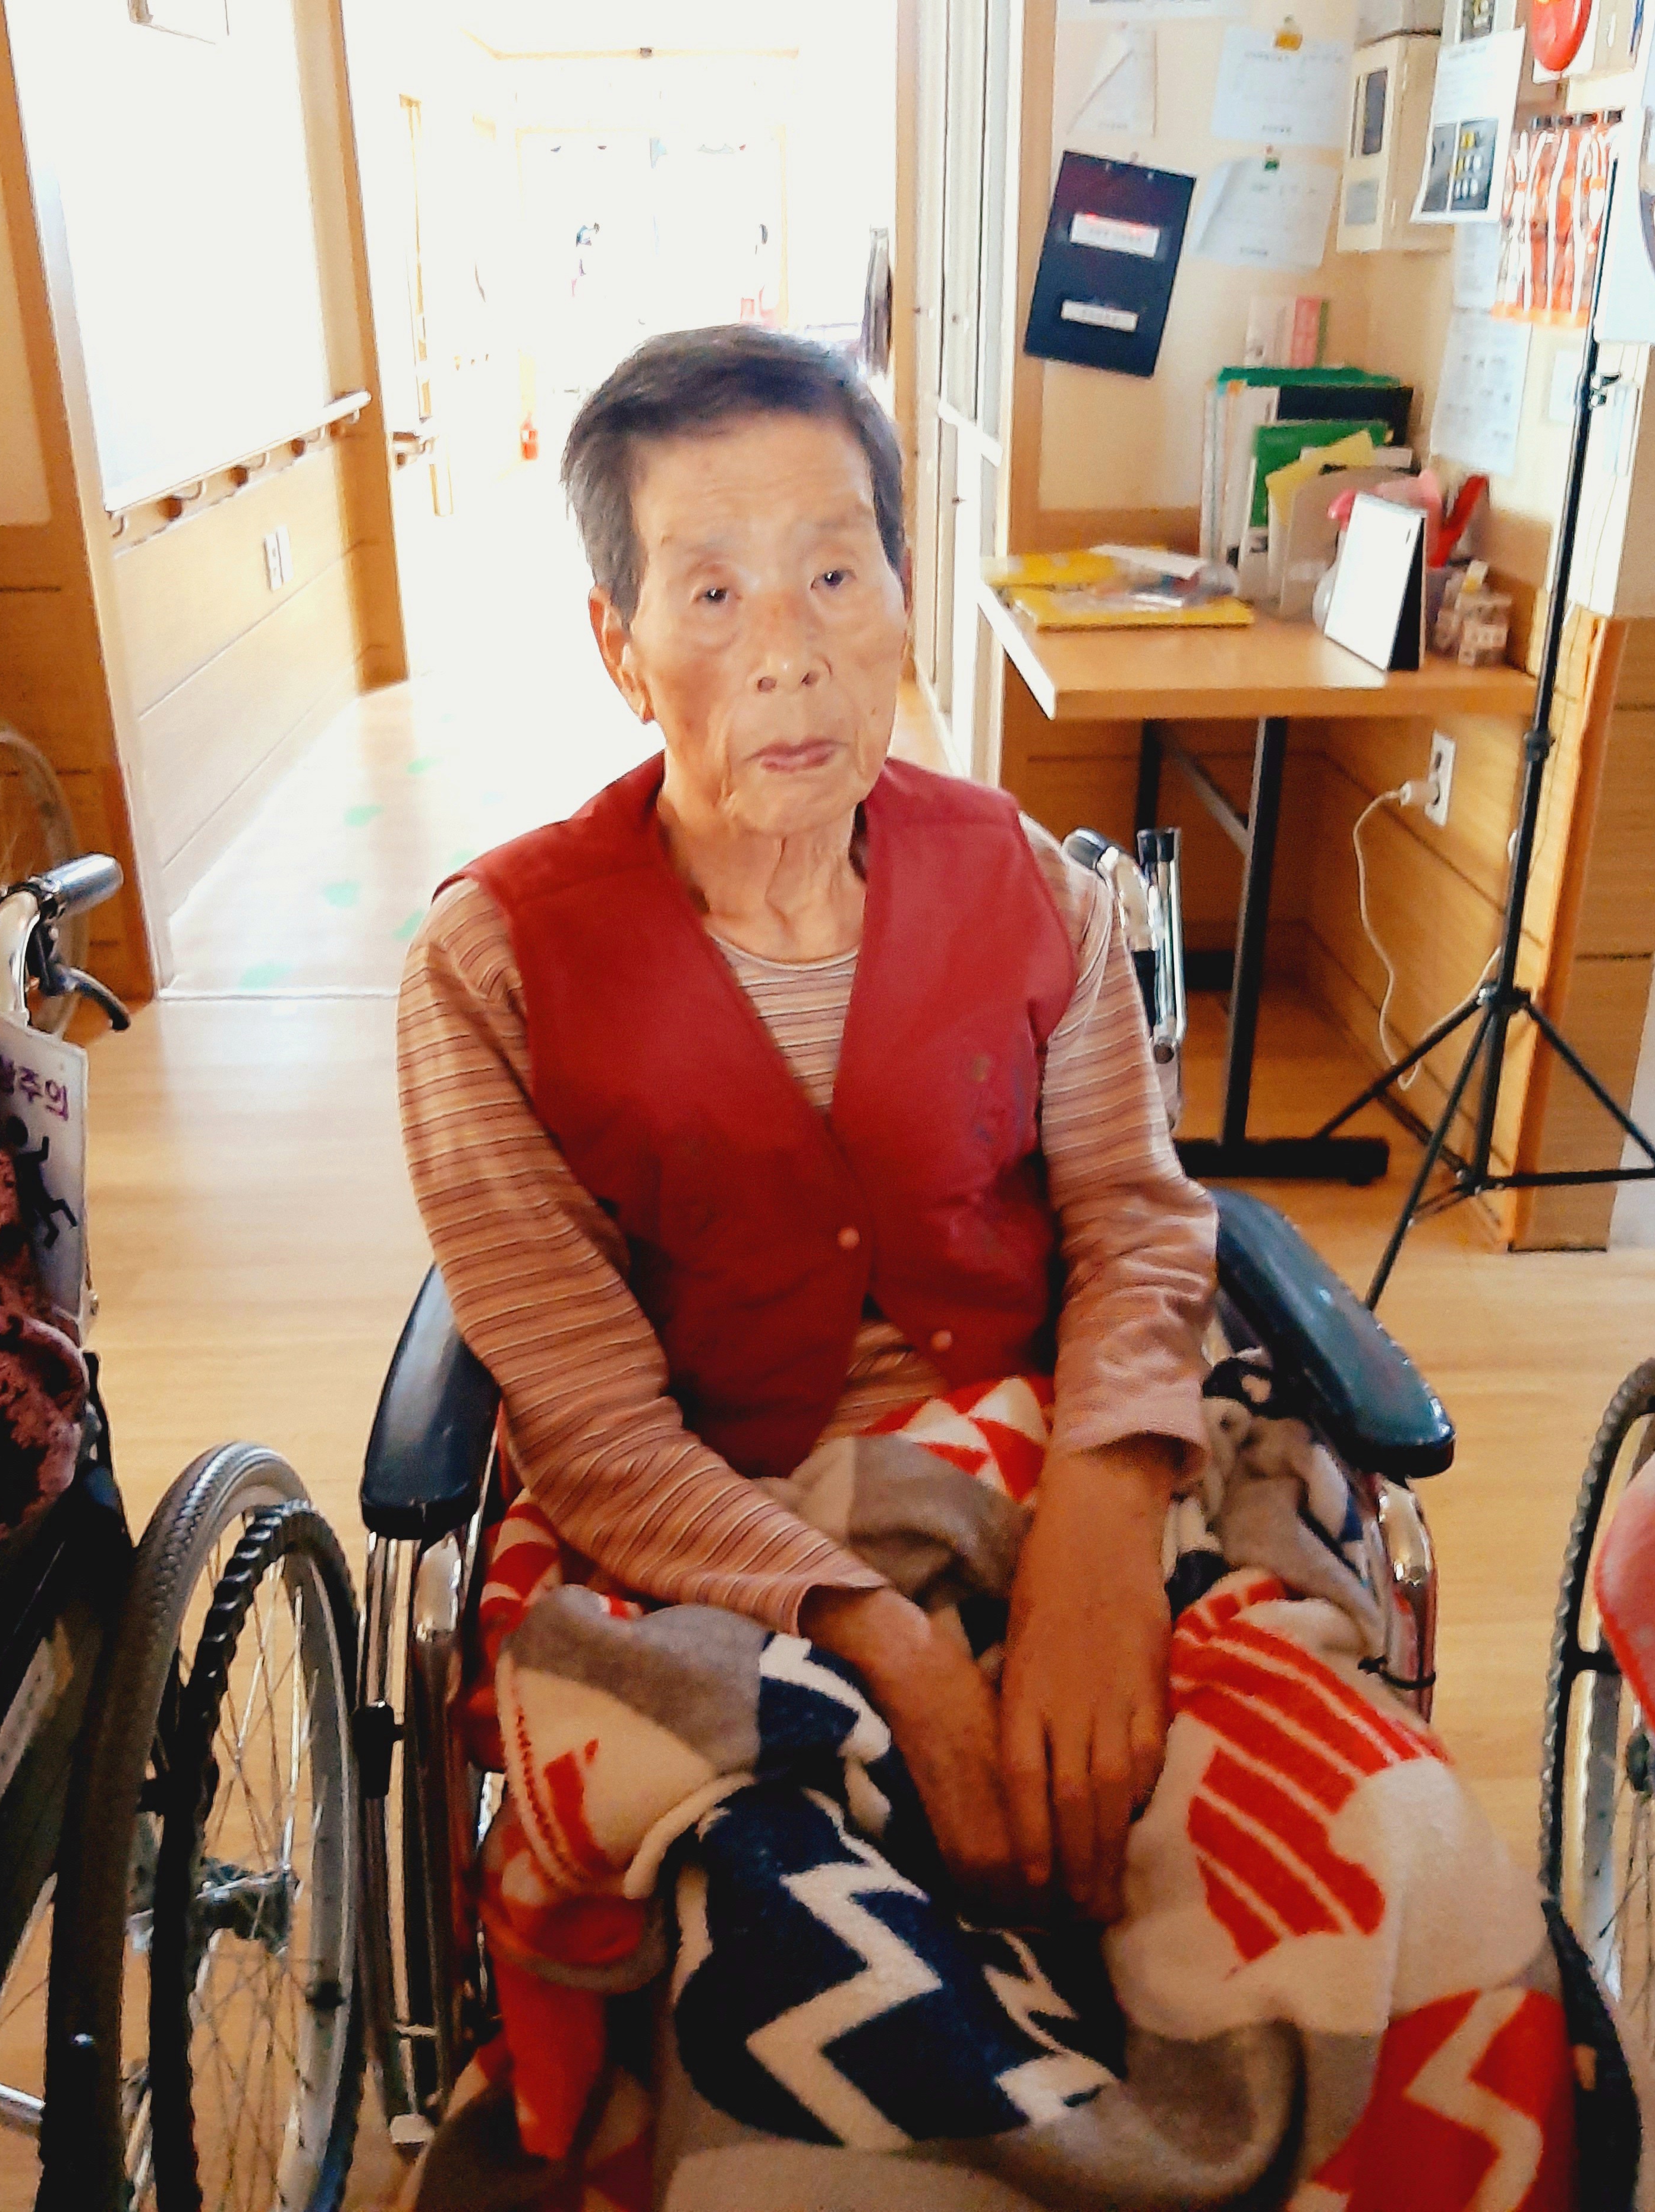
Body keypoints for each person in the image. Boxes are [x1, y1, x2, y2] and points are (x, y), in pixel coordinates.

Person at [397, 322, 1216, 2164]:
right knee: (779, 2011)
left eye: (838, 573)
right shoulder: (493, 971)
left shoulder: (1036, 891)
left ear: (905, 594)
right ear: (619, 649)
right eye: (710, 592)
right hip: (706, 1543)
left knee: (1352, 1870)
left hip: (1045, 1464)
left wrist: (1103, 1531)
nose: (789, 648)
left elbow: (1138, 1221)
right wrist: (891, 1649)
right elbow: (595, 1427)